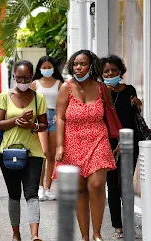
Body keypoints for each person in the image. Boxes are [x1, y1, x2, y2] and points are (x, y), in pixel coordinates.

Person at [54, 50, 116, 241]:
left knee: (97, 185)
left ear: (92, 67)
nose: (78, 68)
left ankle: (97, 233)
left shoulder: (101, 88)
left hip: (98, 139)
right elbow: (61, 118)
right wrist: (59, 146)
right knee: (80, 189)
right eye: (76, 64)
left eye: (83, 64)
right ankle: (84, 236)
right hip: (72, 140)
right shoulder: (66, 88)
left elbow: (111, 114)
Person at [0, 60, 48, 241]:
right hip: (8, 152)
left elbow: (44, 125)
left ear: (32, 77)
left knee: (32, 193)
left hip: (33, 153)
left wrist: (32, 125)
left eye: (26, 77)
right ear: (13, 77)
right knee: (14, 194)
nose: (22, 81)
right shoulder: (4, 96)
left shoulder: (38, 98)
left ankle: (35, 235)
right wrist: (17, 120)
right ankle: (16, 234)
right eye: (19, 77)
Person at [101, 55, 142, 239]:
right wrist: (106, 96)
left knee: (125, 184)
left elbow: (134, 116)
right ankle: (117, 226)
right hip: (109, 143)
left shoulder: (129, 90)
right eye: (107, 71)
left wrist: (138, 105)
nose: (111, 73)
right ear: (102, 74)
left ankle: (128, 223)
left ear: (120, 71)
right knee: (113, 185)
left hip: (128, 142)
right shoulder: (101, 92)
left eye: (114, 70)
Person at [31, 56, 64, 201]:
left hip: (55, 117)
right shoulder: (35, 83)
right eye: (43, 67)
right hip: (40, 117)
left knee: (51, 155)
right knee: (42, 152)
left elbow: (63, 102)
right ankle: (39, 187)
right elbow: (30, 102)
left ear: (54, 68)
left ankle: (48, 188)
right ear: (39, 69)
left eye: (49, 67)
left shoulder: (59, 84)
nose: (46, 70)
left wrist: (59, 114)